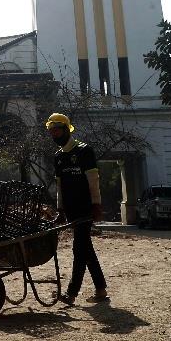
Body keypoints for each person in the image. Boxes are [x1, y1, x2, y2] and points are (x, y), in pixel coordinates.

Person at [47, 112, 109, 305]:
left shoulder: (84, 151)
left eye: (57, 130)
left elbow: (93, 181)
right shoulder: (58, 157)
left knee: (78, 249)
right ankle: (101, 289)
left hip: (85, 208)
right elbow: (59, 186)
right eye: (52, 132)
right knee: (86, 249)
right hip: (71, 210)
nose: (55, 134)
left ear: (67, 129)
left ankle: (71, 293)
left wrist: (96, 205)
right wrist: (60, 210)